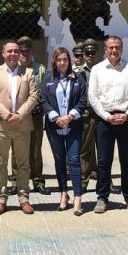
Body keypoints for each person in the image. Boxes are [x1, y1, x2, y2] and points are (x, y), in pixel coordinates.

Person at [87, 36, 128, 214]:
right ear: (105, 50)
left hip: (126, 120)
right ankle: (102, 198)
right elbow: (93, 96)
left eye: (117, 47)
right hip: (105, 120)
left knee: (127, 161)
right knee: (104, 161)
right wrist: (106, 116)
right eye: (110, 47)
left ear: (122, 49)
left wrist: (127, 115)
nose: (114, 50)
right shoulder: (97, 70)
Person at [0, 39, 39, 215]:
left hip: (22, 125)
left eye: (16, 51)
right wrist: (7, 115)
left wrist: (19, 114)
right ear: (3, 53)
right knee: (0, 164)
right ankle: (1, 198)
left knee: (23, 163)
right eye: (9, 51)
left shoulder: (28, 73)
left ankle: (23, 197)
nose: (13, 54)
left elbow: (33, 97)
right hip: (1, 125)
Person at [41, 47, 88, 215]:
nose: (62, 62)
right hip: (54, 127)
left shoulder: (78, 78)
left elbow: (83, 99)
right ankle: (63, 194)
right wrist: (55, 117)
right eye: (59, 59)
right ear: (54, 61)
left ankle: (78, 198)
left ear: (69, 61)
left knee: (74, 160)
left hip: (73, 125)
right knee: (59, 161)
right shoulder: (48, 79)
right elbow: (43, 100)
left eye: (65, 59)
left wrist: (70, 117)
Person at [16, 36, 49, 194]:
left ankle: (38, 180)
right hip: (17, 115)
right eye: (21, 51)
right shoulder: (13, 68)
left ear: (32, 52)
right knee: (17, 148)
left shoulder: (40, 69)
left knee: (35, 149)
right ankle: (17, 181)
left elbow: (46, 92)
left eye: (27, 51)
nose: (24, 54)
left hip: (35, 114)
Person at [78, 38, 102, 190]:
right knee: (85, 149)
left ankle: (105, 180)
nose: (90, 55)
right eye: (87, 53)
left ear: (97, 54)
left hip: (102, 115)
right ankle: (83, 180)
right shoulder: (79, 73)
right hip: (86, 114)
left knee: (104, 149)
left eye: (93, 52)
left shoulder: (105, 71)